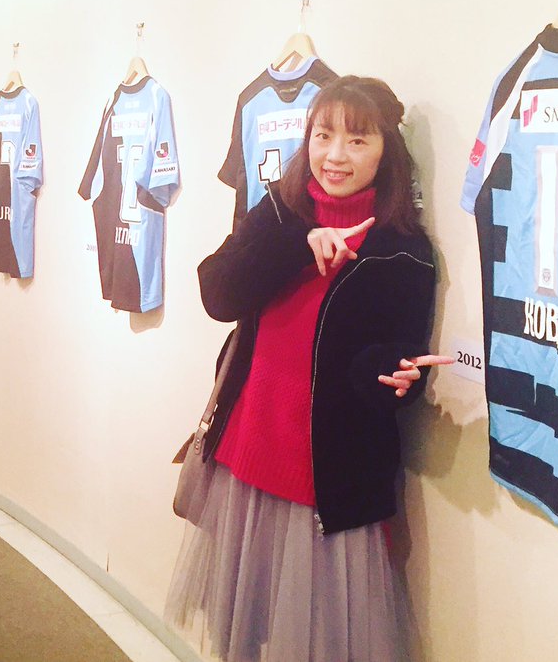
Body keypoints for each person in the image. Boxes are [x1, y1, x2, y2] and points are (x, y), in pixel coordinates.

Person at [165, 75, 451, 662]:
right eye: (323, 136)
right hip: (249, 446)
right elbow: (217, 293)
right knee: (240, 628)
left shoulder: (403, 251)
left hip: (325, 476)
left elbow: (388, 365)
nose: (335, 155)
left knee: (318, 643)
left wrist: (398, 377)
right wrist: (300, 245)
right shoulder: (280, 211)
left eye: (357, 140)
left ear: (386, 151)